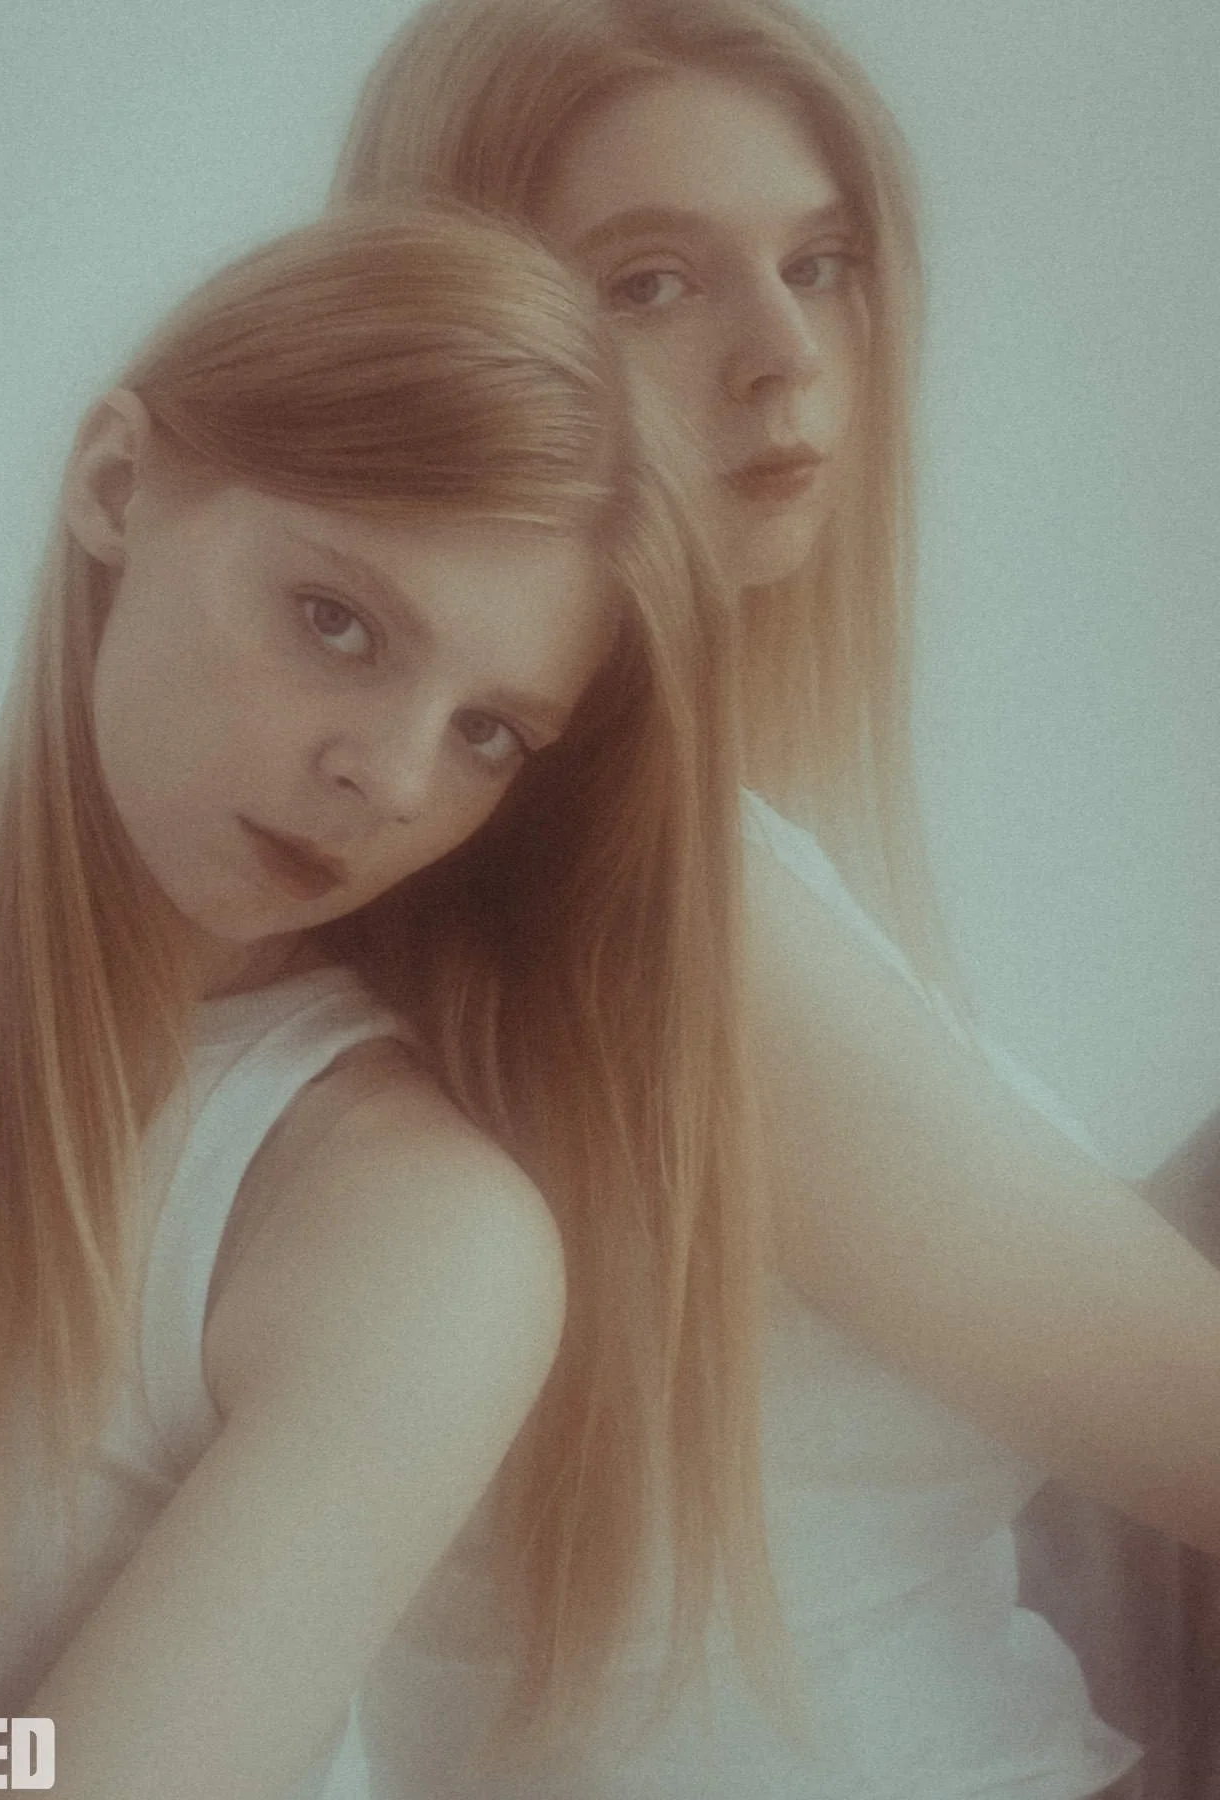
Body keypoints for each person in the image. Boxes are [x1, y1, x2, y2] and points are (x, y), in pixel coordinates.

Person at [331, 3, 1220, 1795]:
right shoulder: (661, 910)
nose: (784, 360)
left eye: (821, 264)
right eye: (651, 284)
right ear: (462, 330)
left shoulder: (487, 838)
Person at [0, 205, 749, 1798]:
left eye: (490, 733)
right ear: (116, 485)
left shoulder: (400, 1232)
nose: (395, 776)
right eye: (339, 622)